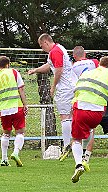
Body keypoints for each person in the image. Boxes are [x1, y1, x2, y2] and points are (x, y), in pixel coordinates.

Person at [28, 33, 77, 161]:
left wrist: (53, 86)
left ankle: (67, 146)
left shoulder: (55, 51)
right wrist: (36, 70)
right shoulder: (58, 49)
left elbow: (58, 70)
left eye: (41, 46)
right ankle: (75, 144)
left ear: (46, 42)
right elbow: (50, 66)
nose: (41, 48)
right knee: (72, 116)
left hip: (65, 88)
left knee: (64, 117)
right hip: (72, 85)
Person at [71, 46, 108, 164]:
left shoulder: (76, 69)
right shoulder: (104, 73)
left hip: (85, 106)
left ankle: (83, 159)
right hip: (102, 110)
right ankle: (86, 158)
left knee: (88, 132)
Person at [0, 56, 28, 167]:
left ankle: (4, 159)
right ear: (8, 64)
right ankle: (16, 152)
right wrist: (25, 104)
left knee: (6, 133)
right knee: (20, 132)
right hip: (16, 105)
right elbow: (21, 88)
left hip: (3, 108)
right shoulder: (14, 72)